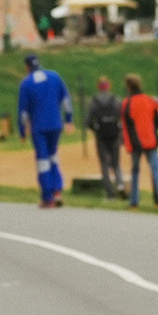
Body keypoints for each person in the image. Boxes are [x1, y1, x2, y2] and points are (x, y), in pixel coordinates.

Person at [15, 53, 74, 208]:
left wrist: (22, 131)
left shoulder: (26, 84)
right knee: (53, 156)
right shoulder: (54, 77)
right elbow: (66, 100)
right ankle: (57, 190)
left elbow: (23, 112)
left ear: (27, 67)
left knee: (43, 161)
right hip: (55, 124)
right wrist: (68, 119)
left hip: (39, 127)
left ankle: (47, 196)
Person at [120, 74, 158, 211]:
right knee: (156, 169)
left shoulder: (127, 103)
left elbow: (126, 126)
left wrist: (128, 144)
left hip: (135, 143)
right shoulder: (150, 101)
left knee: (135, 171)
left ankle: (134, 202)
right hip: (151, 140)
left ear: (128, 86)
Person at [86, 76, 125, 198]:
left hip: (101, 135)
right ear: (109, 86)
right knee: (116, 163)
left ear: (98, 86)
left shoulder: (94, 101)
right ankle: (120, 184)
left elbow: (88, 121)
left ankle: (110, 192)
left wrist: (96, 129)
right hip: (115, 134)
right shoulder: (116, 100)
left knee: (104, 164)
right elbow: (122, 117)